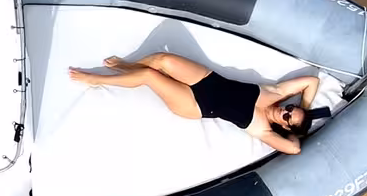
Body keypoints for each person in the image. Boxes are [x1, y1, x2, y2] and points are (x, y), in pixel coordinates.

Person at [68, 51, 322, 154]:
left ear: (286, 127)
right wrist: (307, 110)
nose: (286, 111)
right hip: (208, 80)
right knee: (162, 60)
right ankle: (126, 67)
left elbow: (294, 149)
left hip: (194, 105)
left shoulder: (264, 130)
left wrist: (302, 130)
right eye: (291, 108)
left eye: (289, 118)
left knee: (149, 76)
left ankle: (96, 80)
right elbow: (310, 81)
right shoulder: (275, 92)